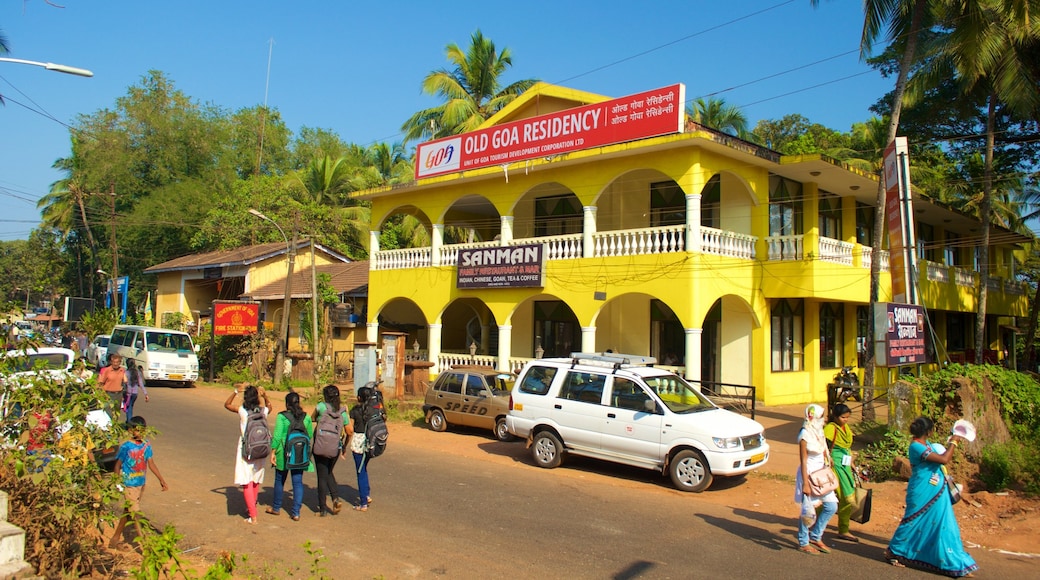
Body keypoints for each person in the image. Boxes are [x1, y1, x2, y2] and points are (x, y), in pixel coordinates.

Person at [885, 417, 977, 577]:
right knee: (912, 521)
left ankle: (950, 560)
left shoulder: (926, 445)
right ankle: (893, 551)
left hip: (936, 491)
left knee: (942, 524)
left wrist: (949, 442)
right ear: (929, 431)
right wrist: (954, 442)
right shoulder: (916, 447)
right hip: (922, 490)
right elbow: (944, 459)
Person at [110, 416, 168, 548]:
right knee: (136, 513)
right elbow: (117, 465)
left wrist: (161, 480)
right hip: (128, 483)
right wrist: (116, 482)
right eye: (137, 430)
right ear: (130, 430)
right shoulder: (126, 447)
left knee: (128, 510)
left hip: (140, 483)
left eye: (142, 430)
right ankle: (145, 546)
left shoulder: (146, 445)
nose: (140, 433)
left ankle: (115, 538)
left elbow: (151, 463)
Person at [224, 384, 271, 525]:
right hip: (261, 449)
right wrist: (265, 395)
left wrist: (235, 392)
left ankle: (253, 516)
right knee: (256, 480)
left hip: (246, 449)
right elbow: (270, 406)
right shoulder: (263, 411)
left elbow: (227, 405)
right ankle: (251, 507)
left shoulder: (243, 411)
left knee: (246, 482)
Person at [795, 403, 838, 554]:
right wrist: (805, 484)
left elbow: (823, 449)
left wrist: (828, 457)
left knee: (831, 506)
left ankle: (816, 535)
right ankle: (803, 542)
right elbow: (804, 460)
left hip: (821, 476)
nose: (824, 419)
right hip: (808, 476)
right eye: (821, 416)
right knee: (808, 511)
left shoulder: (818, 432)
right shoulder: (805, 434)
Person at [267, 392, 313, 521]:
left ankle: (276, 508)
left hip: (283, 453)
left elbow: (276, 436)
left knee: (279, 480)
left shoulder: (282, 417)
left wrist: (273, 452)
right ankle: (296, 512)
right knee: (297, 482)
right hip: (299, 454)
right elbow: (309, 435)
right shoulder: (306, 417)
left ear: (287, 404)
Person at [311, 384, 349, 517]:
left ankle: (322, 509)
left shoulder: (321, 407)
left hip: (320, 445)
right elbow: (349, 430)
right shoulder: (342, 411)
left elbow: (312, 418)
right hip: (335, 447)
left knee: (322, 476)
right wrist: (344, 445)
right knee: (328, 471)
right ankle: (335, 498)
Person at [824, 403, 858, 542]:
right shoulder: (830, 429)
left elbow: (848, 448)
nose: (846, 420)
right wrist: (828, 459)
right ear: (836, 417)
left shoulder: (846, 428)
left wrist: (852, 463)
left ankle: (844, 529)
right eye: (843, 417)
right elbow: (823, 446)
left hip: (845, 466)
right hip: (834, 465)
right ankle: (813, 524)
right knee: (830, 495)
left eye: (847, 417)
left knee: (847, 498)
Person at [349, 384, 383, 512]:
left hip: (359, 442)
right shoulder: (373, 410)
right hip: (371, 441)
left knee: (360, 471)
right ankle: (366, 494)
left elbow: (350, 430)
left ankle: (363, 502)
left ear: (358, 398)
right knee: (363, 468)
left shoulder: (355, 411)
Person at [98, 354, 127, 419]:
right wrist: (101, 394)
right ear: (111, 362)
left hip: (118, 394)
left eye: (117, 362)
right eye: (113, 362)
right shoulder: (107, 370)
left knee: (116, 413)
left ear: (120, 362)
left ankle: (114, 426)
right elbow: (101, 382)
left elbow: (125, 381)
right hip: (108, 394)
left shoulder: (122, 370)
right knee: (108, 413)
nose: (115, 364)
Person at [124, 359, 149, 424]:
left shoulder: (126, 373)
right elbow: (141, 384)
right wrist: (145, 394)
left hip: (128, 393)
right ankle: (129, 420)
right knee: (130, 407)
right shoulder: (137, 373)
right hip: (135, 393)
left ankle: (129, 422)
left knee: (128, 408)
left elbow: (124, 383)